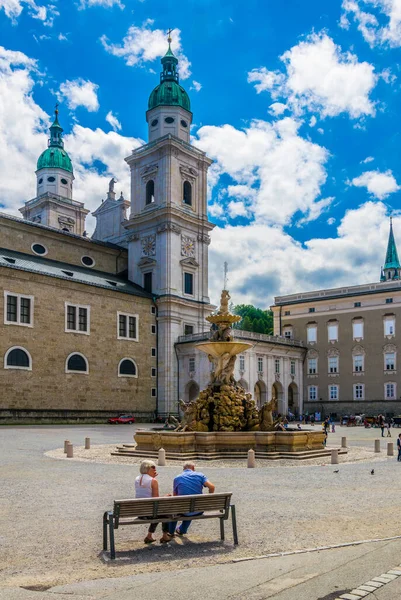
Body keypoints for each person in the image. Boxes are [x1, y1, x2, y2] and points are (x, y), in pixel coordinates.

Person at [168, 462, 215, 537]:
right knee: (192, 506)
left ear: (183, 469)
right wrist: (208, 500)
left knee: (175, 508)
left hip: (184, 509)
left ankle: (170, 532)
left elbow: (175, 496)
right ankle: (182, 530)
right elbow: (212, 487)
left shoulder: (177, 478)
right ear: (193, 468)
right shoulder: (200, 475)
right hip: (198, 509)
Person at [135, 459, 172, 544]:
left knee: (157, 512)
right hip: (149, 513)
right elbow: (156, 500)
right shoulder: (153, 481)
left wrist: (152, 478)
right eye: (153, 467)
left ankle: (149, 536)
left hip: (140, 512)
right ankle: (165, 536)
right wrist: (165, 496)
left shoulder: (137, 479)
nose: (155, 469)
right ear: (147, 469)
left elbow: (145, 488)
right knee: (166, 512)